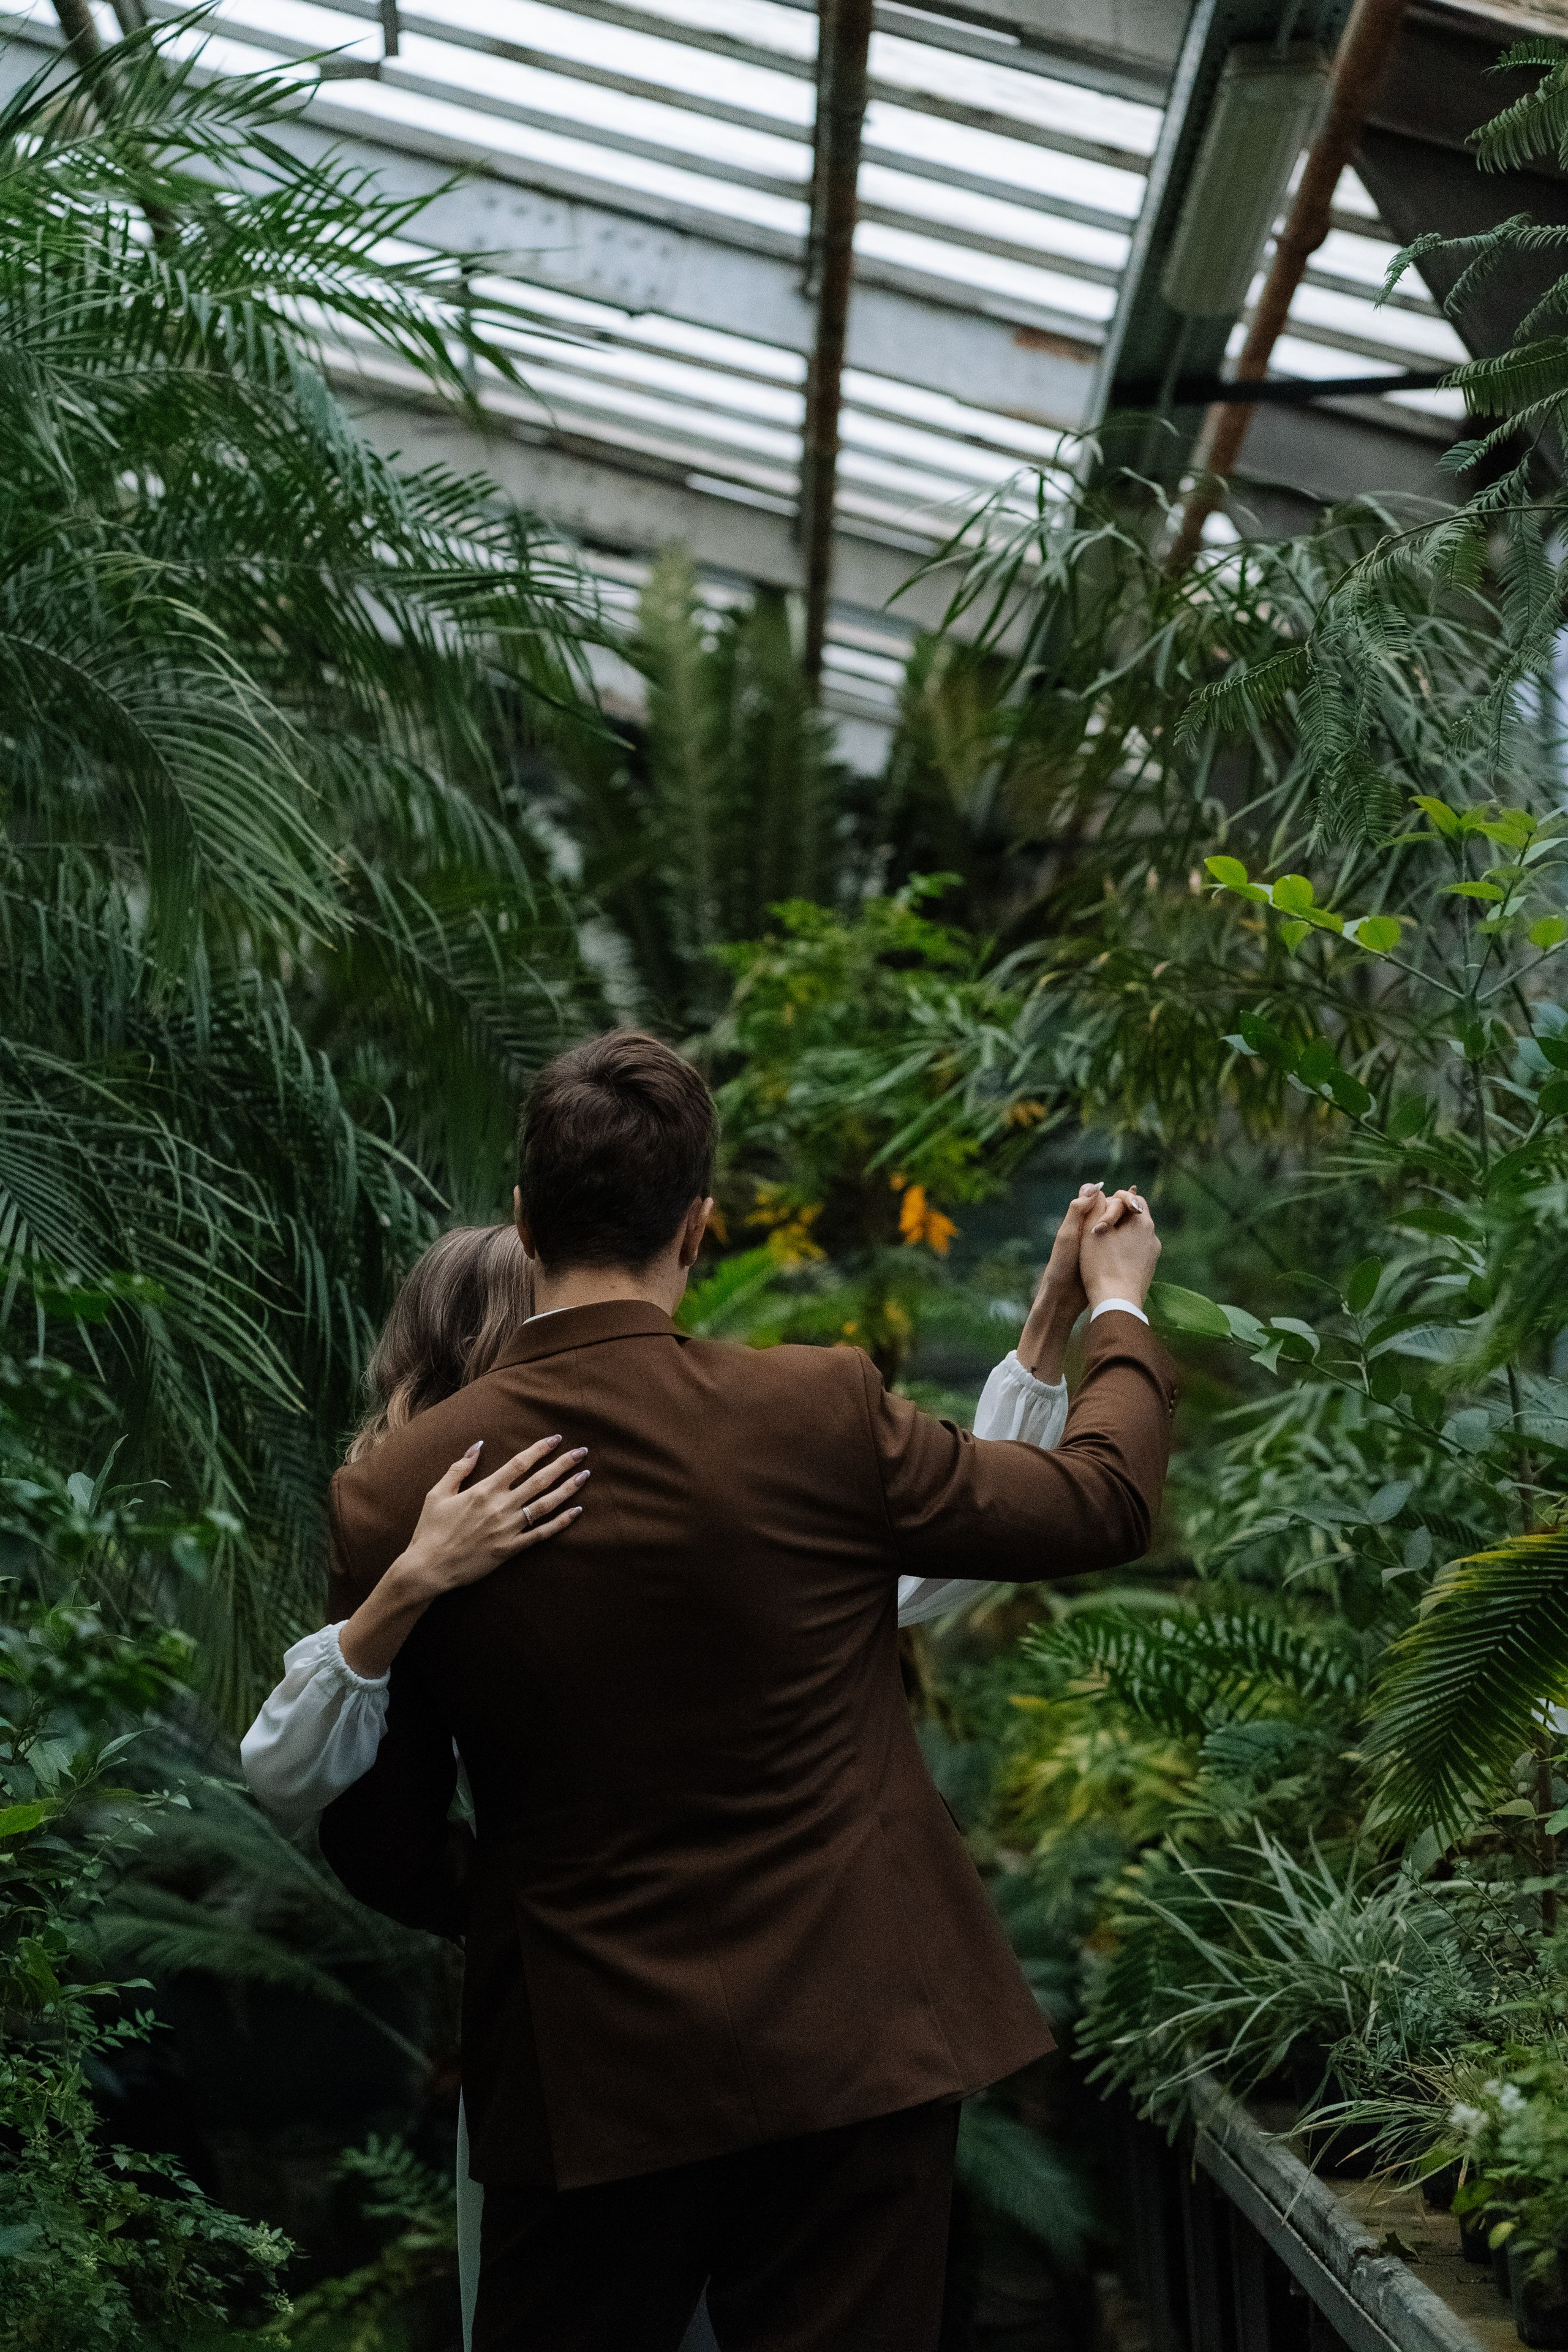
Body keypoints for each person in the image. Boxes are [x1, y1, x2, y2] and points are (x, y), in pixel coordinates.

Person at [313, 1030, 1174, 2352]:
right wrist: (1113, 1306)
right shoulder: (813, 1413)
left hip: (587, 2073)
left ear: (526, 1220)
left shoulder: (393, 1494)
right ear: (699, 1228)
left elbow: (375, 1828)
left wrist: (533, 1908)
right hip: (856, 2051)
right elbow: (1098, 1501)